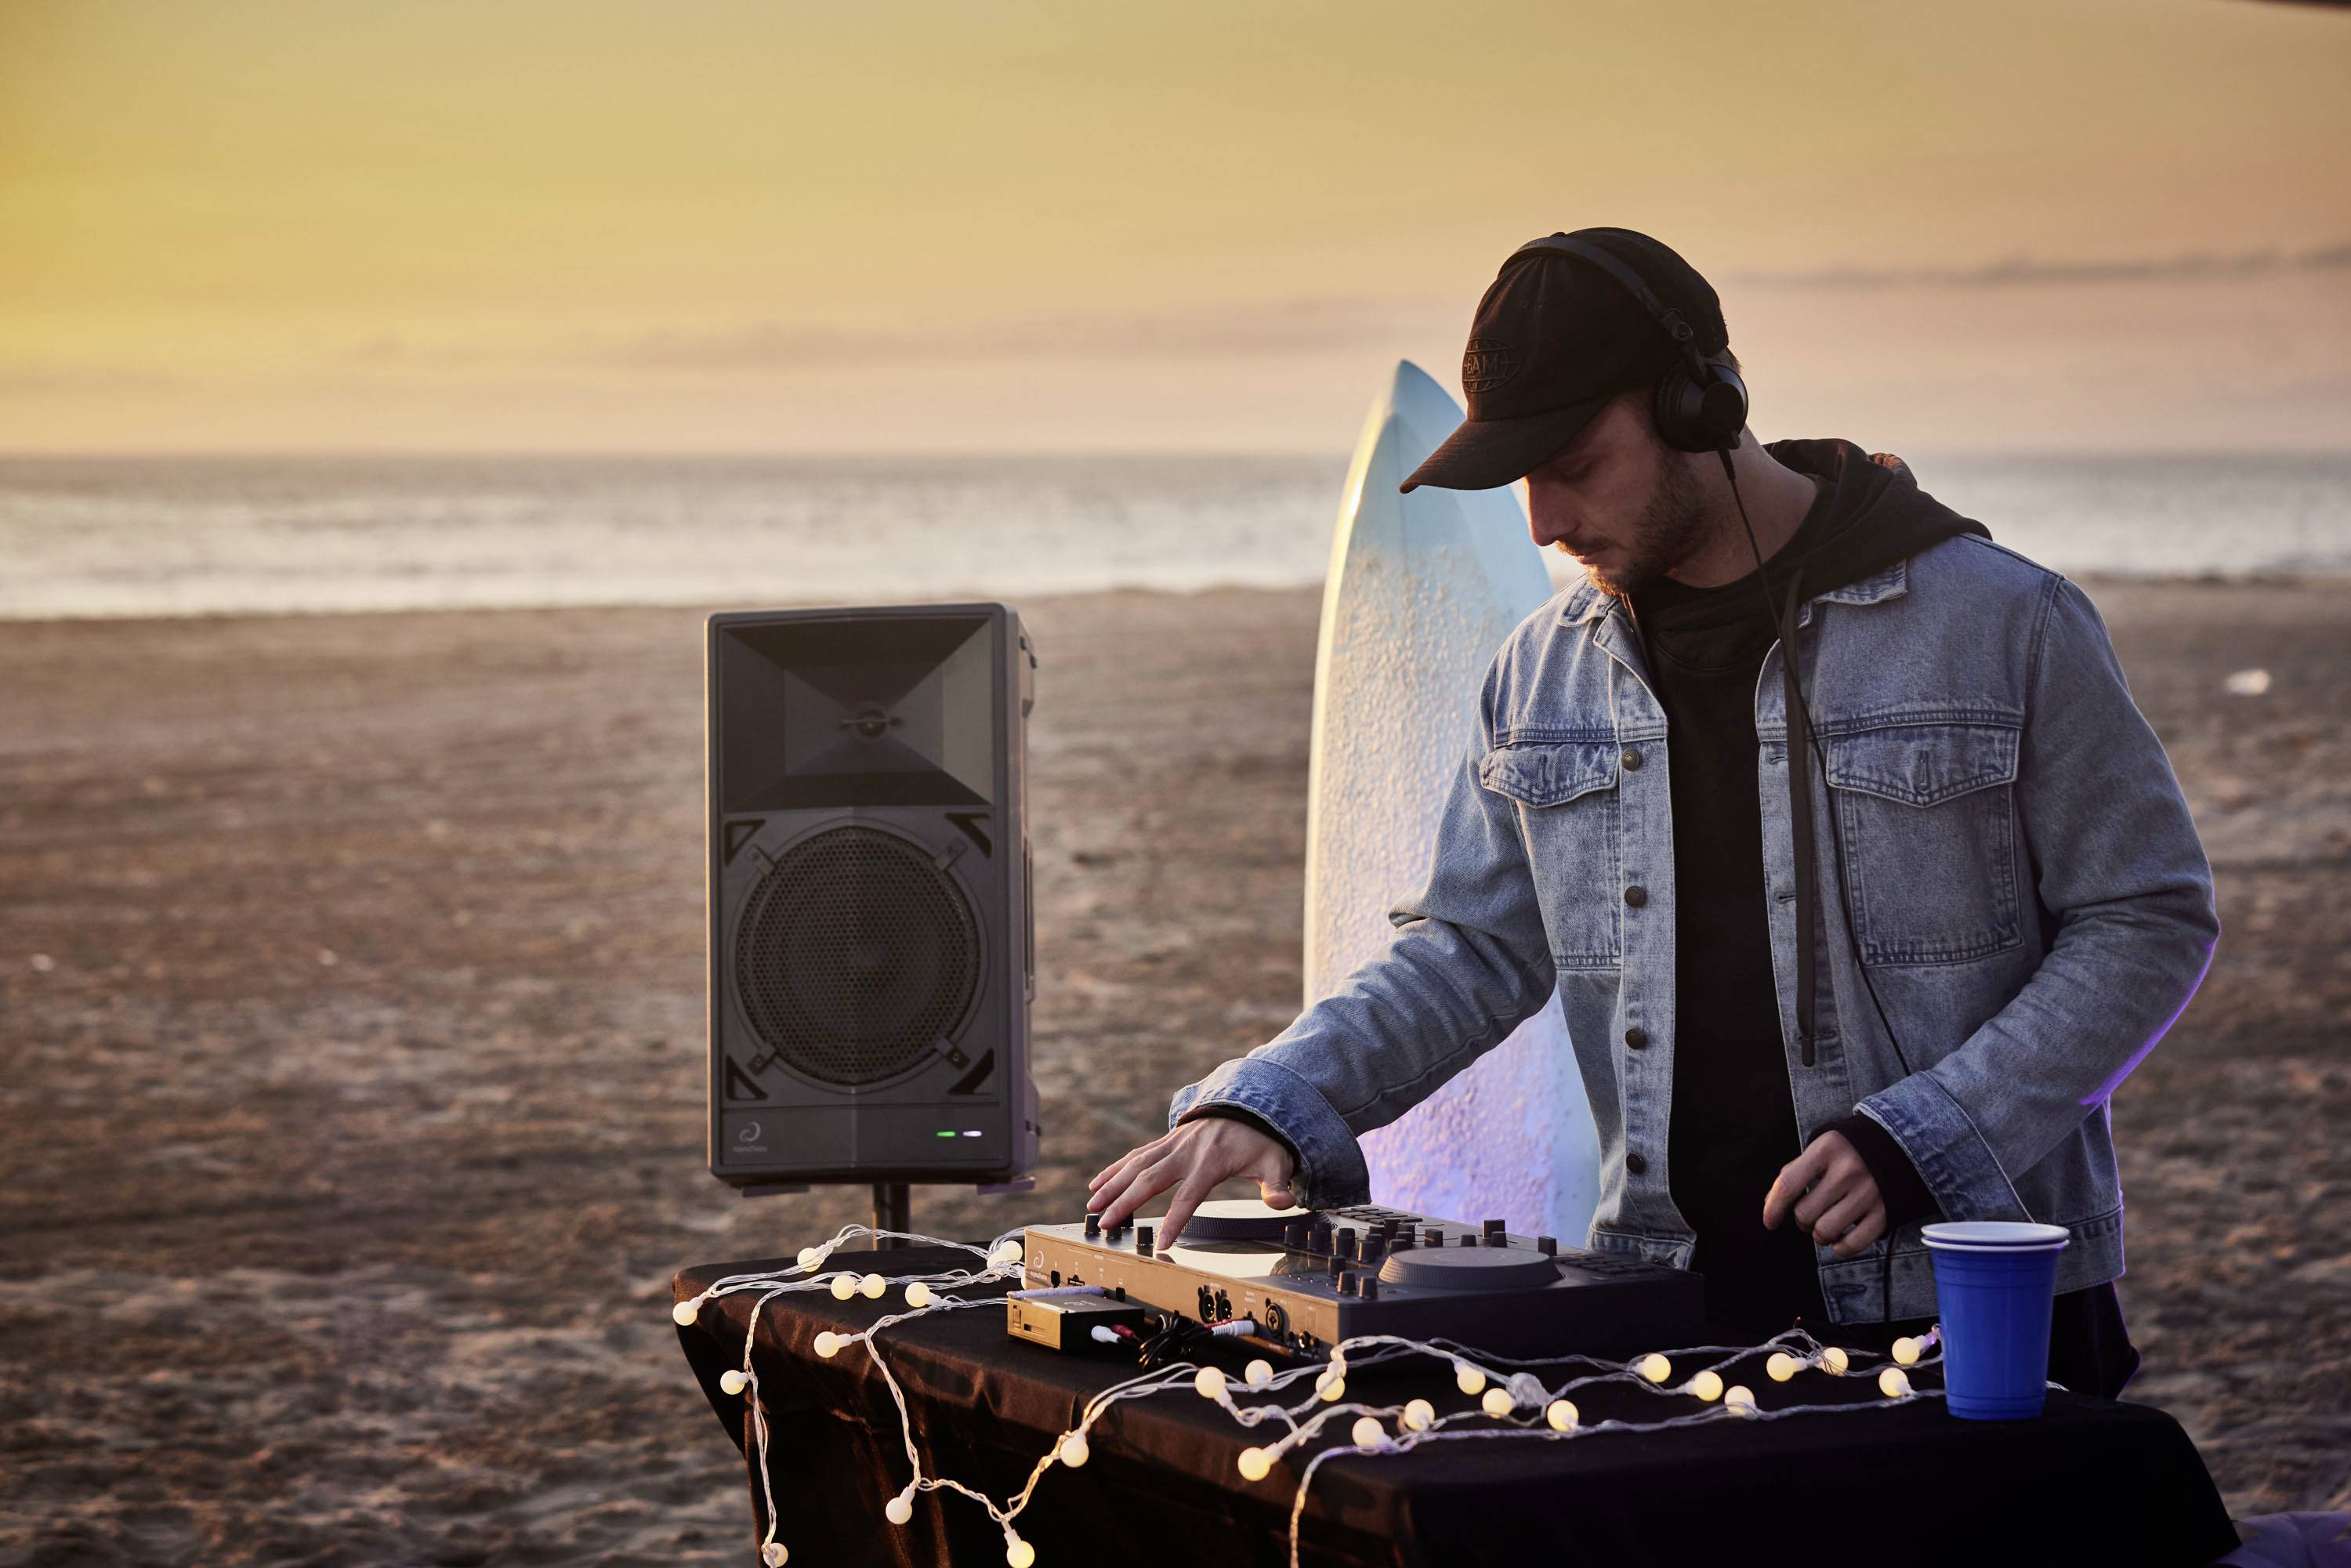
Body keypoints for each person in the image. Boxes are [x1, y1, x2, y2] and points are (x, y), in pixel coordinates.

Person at [1086, 226, 2217, 1398]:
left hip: (1969, 1294)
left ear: (1698, 406)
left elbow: (2146, 919)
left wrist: (1924, 1137)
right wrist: (1275, 1097)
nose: (1540, 519)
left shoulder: (2005, 622)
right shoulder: (1537, 674)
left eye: (1573, 460)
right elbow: (1469, 951)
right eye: (1517, 477)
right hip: (1670, 1309)